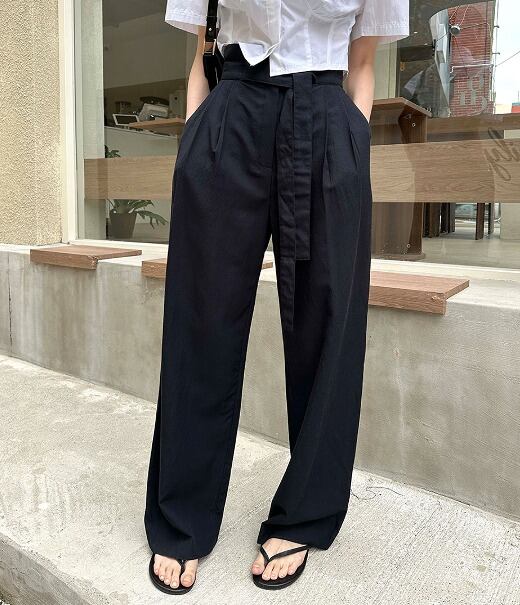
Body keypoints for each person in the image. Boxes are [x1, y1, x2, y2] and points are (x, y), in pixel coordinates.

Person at [145, 0, 409, 594]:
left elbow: (362, 63)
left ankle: (304, 514)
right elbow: (200, 56)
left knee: (327, 323)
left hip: (327, 116)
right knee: (200, 319)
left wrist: (351, 142)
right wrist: (195, 139)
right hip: (231, 107)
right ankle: (182, 514)